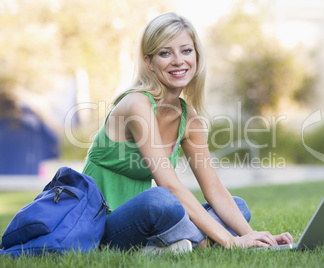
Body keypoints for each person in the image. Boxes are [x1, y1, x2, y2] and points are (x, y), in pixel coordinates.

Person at [82, 12, 293, 253]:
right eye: (165, 53)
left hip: (147, 222)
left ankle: (168, 245)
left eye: (186, 50)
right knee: (160, 199)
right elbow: (170, 187)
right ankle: (193, 242)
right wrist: (229, 240)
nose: (178, 60)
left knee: (237, 206)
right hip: (102, 226)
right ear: (149, 62)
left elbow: (213, 188)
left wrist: (252, 235)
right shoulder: (136, 104)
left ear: (197, 56)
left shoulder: (188, 118)